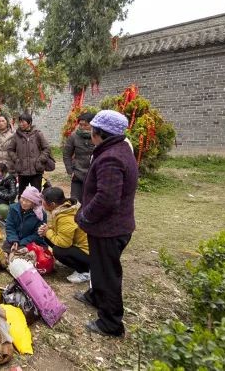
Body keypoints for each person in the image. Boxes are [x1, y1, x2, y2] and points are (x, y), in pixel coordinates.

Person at [74, 110, 138, 338]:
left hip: (109, 229)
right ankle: (95, 296)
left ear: (99, 133)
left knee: (108, 274)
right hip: (109, 227)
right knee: (99, 268)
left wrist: (85, 215)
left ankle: (111, 323)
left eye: (92, 129)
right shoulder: (119, 148)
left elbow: (107, 199)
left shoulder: (111, 158)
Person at [38, 187, 90, 283]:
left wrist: (47, 232)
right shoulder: (62, 209)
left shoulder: (66, 217)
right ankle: (73, 262)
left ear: (52, 204)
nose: (42, 203)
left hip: (88, 253)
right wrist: (48, 228)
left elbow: (64, 243)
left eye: (43, 201)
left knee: (58, 251)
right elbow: (60, 229)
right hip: (77, 245)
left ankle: (85, 271)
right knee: (47, 236)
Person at [0, 186, 47, 270]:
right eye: (22, 199)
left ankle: (5, 261)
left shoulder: (40, 215)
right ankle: (5, 258)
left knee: (21, 251)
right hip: (15, 239)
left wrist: (21, 242)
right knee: (7, 245)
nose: (23, 202)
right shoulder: (13, 208)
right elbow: (10, 226)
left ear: (34, 203)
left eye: (27, 201)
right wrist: (14, 240)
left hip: (30, 242)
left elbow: (37, 235)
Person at [8, 113, 54, 197]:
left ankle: (36, 206)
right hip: (22, 171)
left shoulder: (37, 134)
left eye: (23, 122)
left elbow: (46, 148)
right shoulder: (16, 135)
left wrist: (40, 160)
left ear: (29, 122)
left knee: (36, 195)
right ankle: (22, 206)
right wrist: (16, 160)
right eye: (20, 122)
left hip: (36, 170)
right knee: (22, 195)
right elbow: (10, 150)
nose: (21, 124)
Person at [63, 112, 96, 202]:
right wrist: (70, 171)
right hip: (78, 175)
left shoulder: (98, 137)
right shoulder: (74, 136)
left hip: (94, 175)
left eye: (86, 125)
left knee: (91, 202)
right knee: (75, 202)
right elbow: (67, 155)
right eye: (80, 125)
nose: (82, 127)